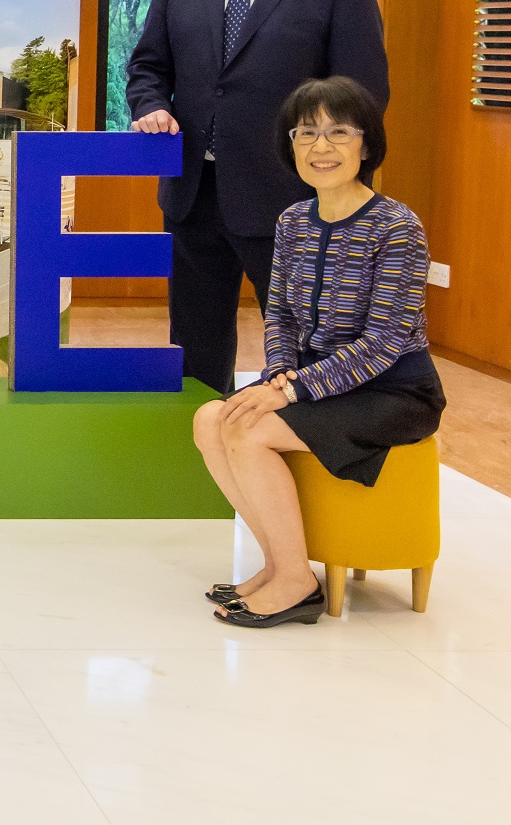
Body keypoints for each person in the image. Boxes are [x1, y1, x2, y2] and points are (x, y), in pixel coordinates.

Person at [126, 0, 388, 394]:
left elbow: (362, 90)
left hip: (293, 195)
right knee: (195, 338)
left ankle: (298, 450)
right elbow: (149, 64)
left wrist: (329, 165)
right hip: (194, 191)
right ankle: (198, 439)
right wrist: (151, 105)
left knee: (305, 341)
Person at [191, 77, 443, 628]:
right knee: (213, 419)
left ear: (366, 146)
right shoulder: (292, 222)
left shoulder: (397, 227)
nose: (320, 147)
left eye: (338, 133)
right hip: (312, 383)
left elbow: (383, 343)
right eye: (306, 134)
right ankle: (282, 564)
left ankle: (294, 584)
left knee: (250, 430)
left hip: (393, 391)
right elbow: (277, 312)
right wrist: (277, 374)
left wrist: (288, 390)